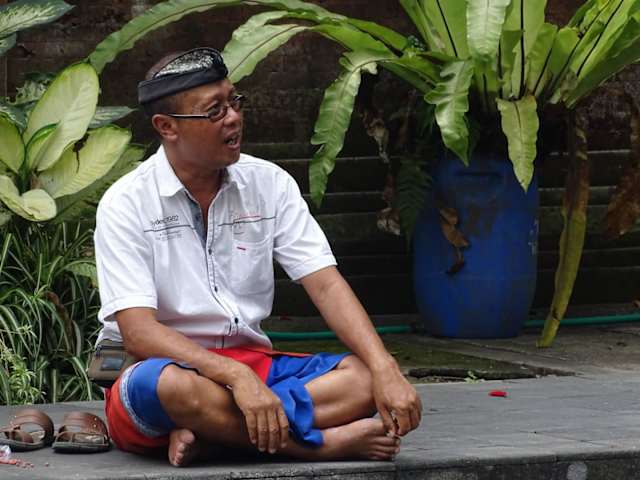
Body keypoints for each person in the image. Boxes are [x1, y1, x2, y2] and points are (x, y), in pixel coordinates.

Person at [94, 47, 422, 467]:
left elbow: (324, 283)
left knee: (362, 380)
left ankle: (215, 436)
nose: (233, 118)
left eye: (234, 102)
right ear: (167, 126)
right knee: (168, 389)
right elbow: (139, 334)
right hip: (163, 367)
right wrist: (235, 376)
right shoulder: (126, 202)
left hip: (252, 362)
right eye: (214, 111)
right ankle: (320, 445)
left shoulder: (269, 184)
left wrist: (385, 366)